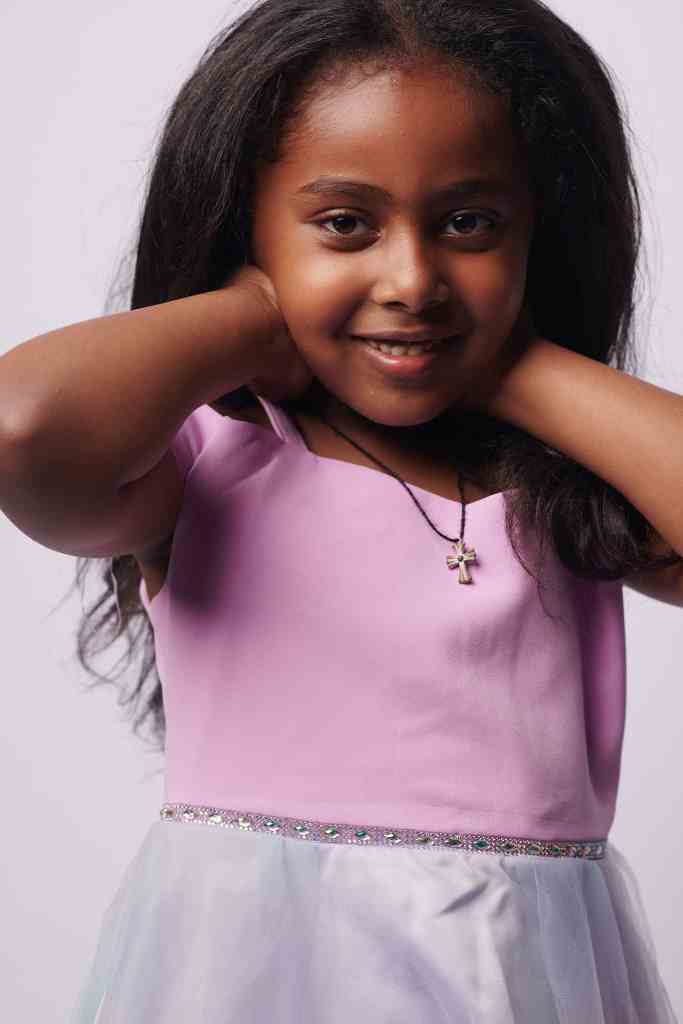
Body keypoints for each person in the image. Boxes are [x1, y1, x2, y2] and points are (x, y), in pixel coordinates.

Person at [0, 0, 681, 1020]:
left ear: (538, 230)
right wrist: (252, 315)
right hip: (257, 977)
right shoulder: (205, 465)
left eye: (468, 223)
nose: (410, 280)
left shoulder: (566, 486)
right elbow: (21, 427)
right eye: (343, 224)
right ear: (248, 227)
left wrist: (519, 371)